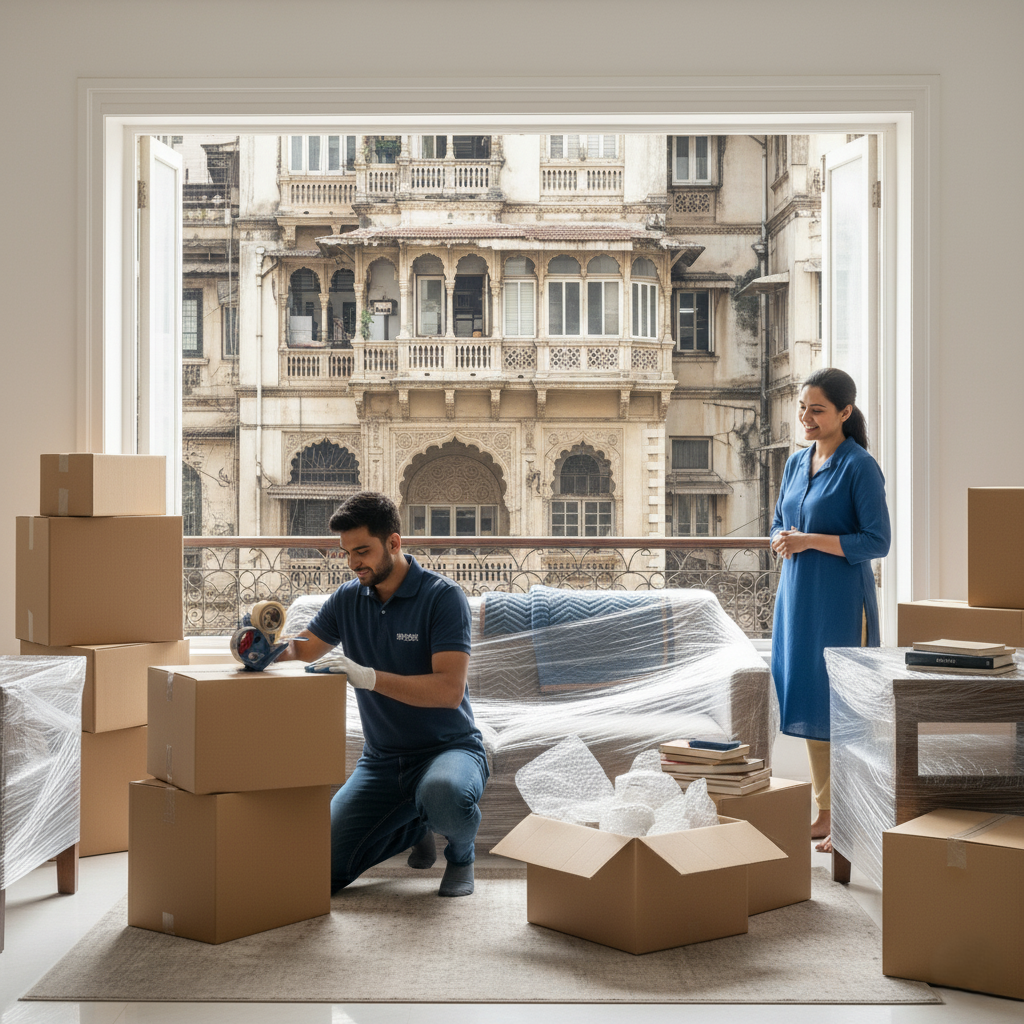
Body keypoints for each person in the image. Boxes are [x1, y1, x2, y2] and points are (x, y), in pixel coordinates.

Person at [276, 491, 488, 897]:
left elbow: (448, 690)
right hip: (382, 761)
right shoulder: (347, 599)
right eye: (346, 553)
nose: (354, 563)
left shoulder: (442, 597)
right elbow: (301, 648)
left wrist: (369, 677)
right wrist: (257, 646)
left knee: (442, 793)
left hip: (449, 750)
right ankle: (414, 824)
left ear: (394, 542)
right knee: (318, 873)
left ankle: (461, 854)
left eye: (362, 551)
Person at [770, 368, 890, 855]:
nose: (806, 417)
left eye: (817, 410)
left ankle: (855, 816)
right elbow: (781, 520)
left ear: (845, 412)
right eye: (802, 408)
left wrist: (808, 541)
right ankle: (827, 812)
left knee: (844, 711)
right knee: (813, 704)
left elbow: (877, 541)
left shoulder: (860, 466)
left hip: (841, 602)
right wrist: (780, 539)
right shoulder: (797, 463)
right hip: (797, 599)